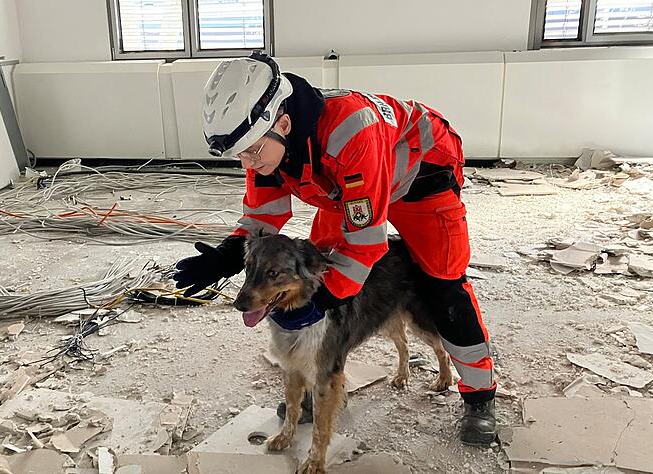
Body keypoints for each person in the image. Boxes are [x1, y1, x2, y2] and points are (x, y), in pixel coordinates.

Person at [172, 52, 497, 446]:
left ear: (284, 123)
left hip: (421, 177)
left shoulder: (350, 131)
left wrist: (320, 301)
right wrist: (229, 253)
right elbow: (263, 214)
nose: (248, 162)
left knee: (442, 287)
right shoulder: (264, 143)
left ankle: (480, 397)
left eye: (251, 151)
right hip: (345, 186)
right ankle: (317, 384)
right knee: (318, 264)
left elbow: (365, 244)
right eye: (240, 154)